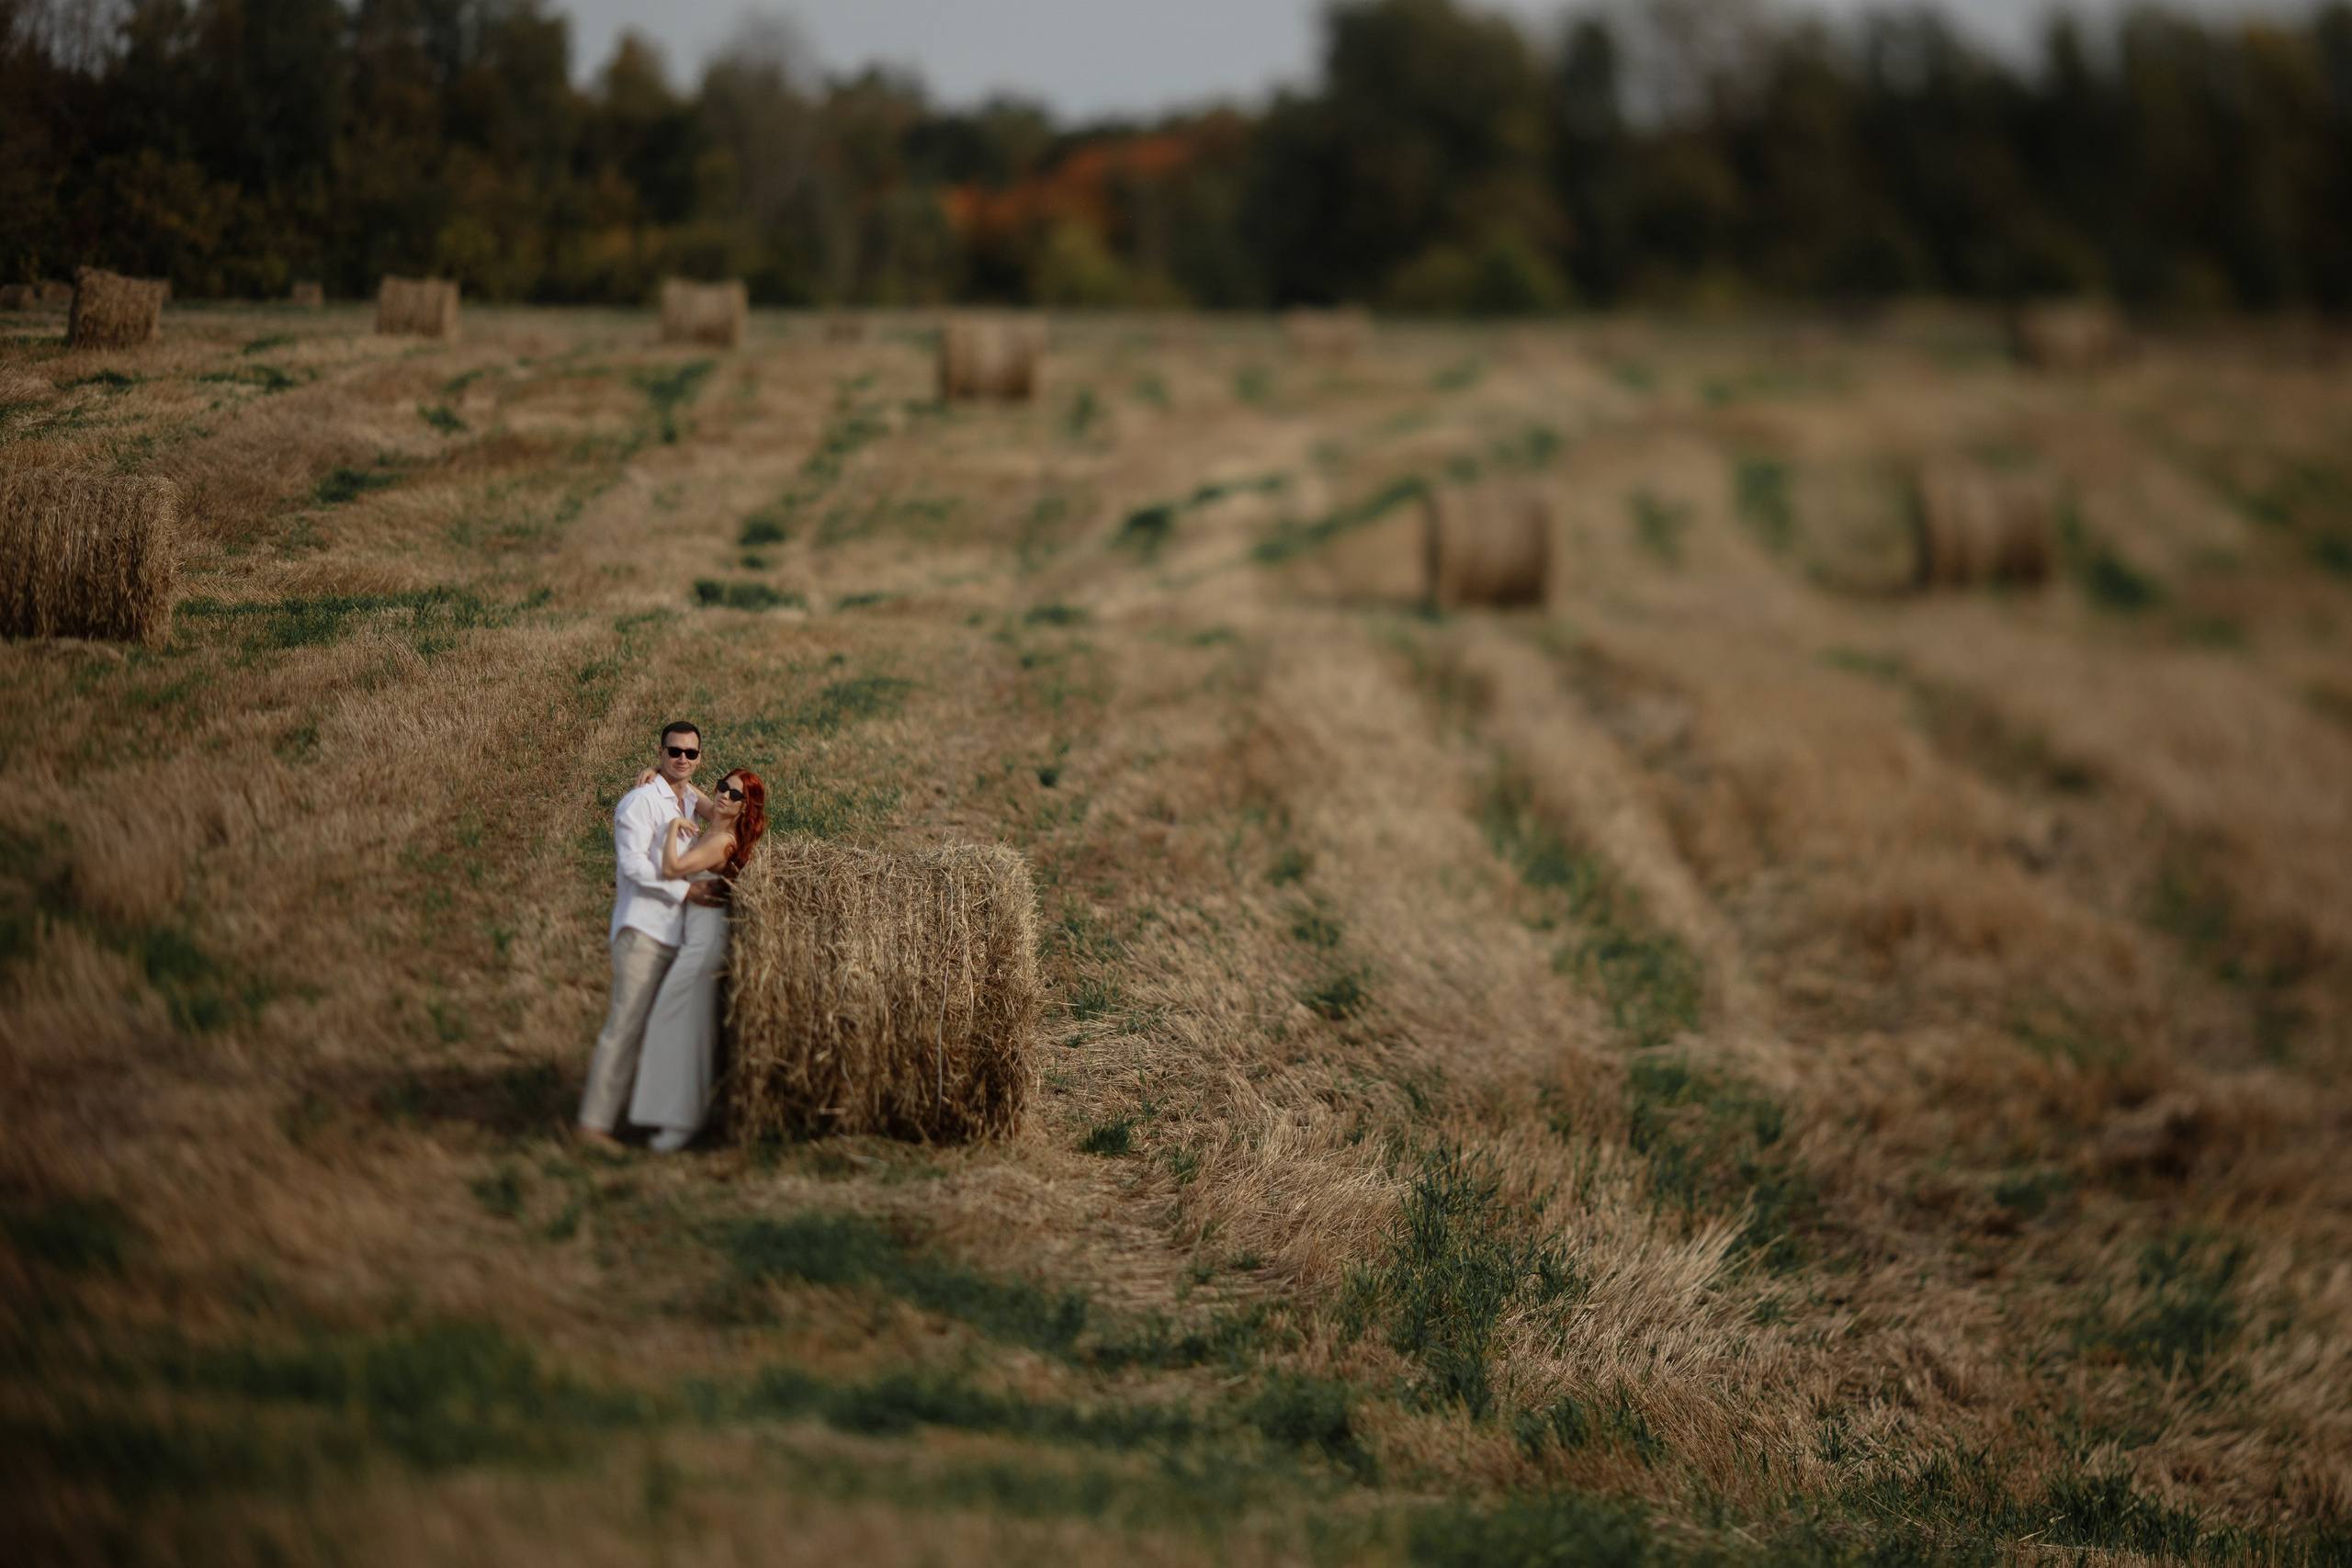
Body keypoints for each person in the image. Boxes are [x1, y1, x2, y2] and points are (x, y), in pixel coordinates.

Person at [577, 720, 707, 1149]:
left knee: (661, 1030)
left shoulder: (687, 801)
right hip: (643, 930)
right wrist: (685, 889)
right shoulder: (639, 801)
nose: (682, 760)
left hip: (676, 934)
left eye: (691, 753)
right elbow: (632, 866)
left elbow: (732, 811)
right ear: (660, 751)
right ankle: (593, 1126)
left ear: (699, 758)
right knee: (626, 1025)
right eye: (674, 752)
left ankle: (641, 1115)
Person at [629, 768, 766, 1152]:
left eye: (735, 796)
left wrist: (673, 827)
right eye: (723, 787)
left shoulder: (722, 841)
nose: (723, 796)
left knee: (677, 1024)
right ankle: (673, 1115)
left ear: (745, 809)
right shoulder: (715, 820)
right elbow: (688, 787)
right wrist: (658, 773)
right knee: (680, 1025)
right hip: (694, 938)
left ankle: (682, 1121)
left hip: (706, 944)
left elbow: (672, 869)